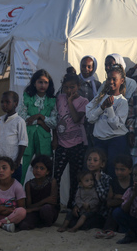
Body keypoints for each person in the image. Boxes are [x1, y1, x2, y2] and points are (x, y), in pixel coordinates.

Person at [52, 71, 89, 208]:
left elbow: (76, 118)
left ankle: (70, 206)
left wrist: (70, 101)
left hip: (77, 145)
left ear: (78, 86)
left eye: (72, 87)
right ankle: (55, 204)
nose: (69, 90)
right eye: (66, 87)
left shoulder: (84, 101)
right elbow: (55, 119)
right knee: (56, 176)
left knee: (75, 177)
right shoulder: (59, 98)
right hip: (61, 144)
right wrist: (55, 138)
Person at [86, 64, 129, 178]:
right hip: (99, 140)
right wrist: (101, 107)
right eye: (109, 78)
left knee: (113, 170)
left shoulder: (122, 102)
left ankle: (112, 194)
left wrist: (109, 108)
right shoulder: (99, 98)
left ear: (122, 81)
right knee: (98, 171)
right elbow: (90, 118)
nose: (111, 82)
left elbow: (115, 125)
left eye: (114, 79)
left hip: (116, 141)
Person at [18, 69, 57, 184]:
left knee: (44, 167)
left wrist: (39, 117)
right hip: (27, 137)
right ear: (34, 83)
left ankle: (42, 196)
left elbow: (54, 122)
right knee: (22, 166)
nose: (43, 85)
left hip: (44, 138)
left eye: (46, 82)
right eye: (40, 82)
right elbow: (22, 117)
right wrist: (40, 122)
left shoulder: (52, 100)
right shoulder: (27, 96)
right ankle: (18, 195)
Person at [95, 154, 133, 238]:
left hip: (131, 212)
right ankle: (108, 230)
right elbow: (109, 203)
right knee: (115, 211)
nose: (119, 172)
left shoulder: (134, 182)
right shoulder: (114, 182)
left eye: (122, 169)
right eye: (117, 169)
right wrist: (123, 199)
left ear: (130, 170)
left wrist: (120, 198)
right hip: (117, 213)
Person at [18, 155, 59, 230]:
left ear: (47, 172)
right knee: (23, 225)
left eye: (42, 168)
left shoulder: (52, 182)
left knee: (46, 208)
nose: (38, 170)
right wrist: (44, 201)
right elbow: (29, 206)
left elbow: (53, 202)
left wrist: (36, 207)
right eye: (36, 167)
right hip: (35, 212)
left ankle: (46, 225)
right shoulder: (29, 185)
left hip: (48, 212)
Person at [0, 91, 28, 183]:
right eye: (2, 102)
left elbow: (23, 142)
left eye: (7, 102)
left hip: (13, 163)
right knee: (2, 187)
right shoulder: (0, 122)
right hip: (1, 163)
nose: (4, 104)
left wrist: (17, 161)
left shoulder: (19, 121)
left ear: (15, 103)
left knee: (13, 187)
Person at [83, 147, 111, 229]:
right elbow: (79, 193)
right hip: (86, 209)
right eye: (89, 159)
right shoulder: (84, 177)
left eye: (95, 160)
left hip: (100, 213)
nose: (91, 162)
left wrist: (98, 181)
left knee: (87, 224)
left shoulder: (106, 178)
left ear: (102, 164)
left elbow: (104, 198)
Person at [78, 55, 101, 147]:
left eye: (89, 67)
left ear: (94, 68)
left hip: (93, 124)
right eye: (83, 66)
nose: (86, 69)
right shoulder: (74, 82)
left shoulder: (97, 85)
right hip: (77, 123)